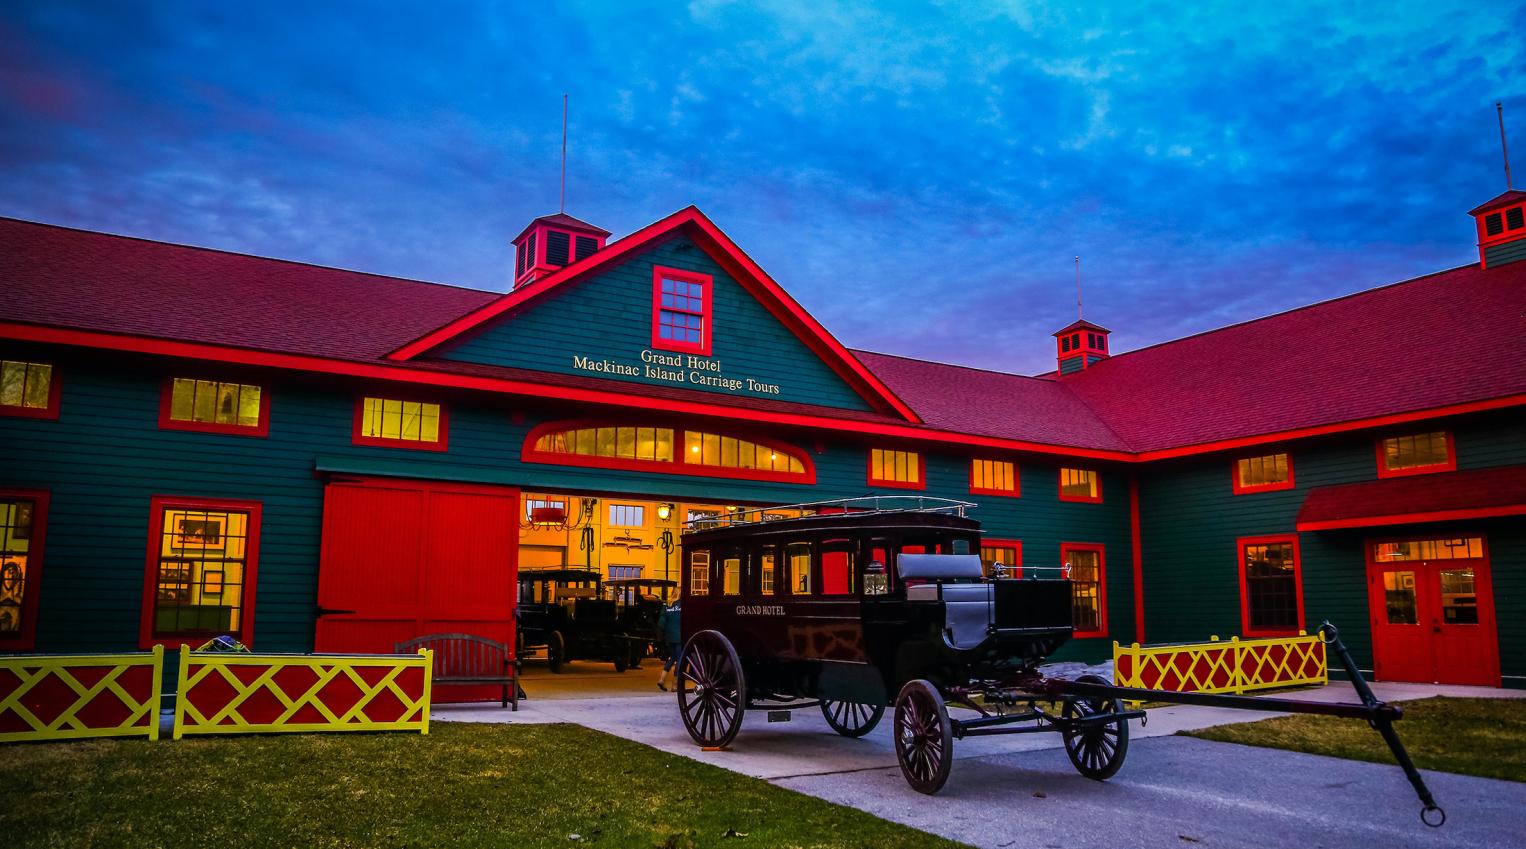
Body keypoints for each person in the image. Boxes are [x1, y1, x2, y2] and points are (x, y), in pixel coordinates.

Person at [655, 599, 682, 691]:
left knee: (672, 657)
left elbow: (661, 622)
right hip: (679, 636)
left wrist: (660, 635)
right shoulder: (682, 605)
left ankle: (662, 679)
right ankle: (675, 685)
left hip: (669, 636)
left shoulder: (667, 605)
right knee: (679, 660)